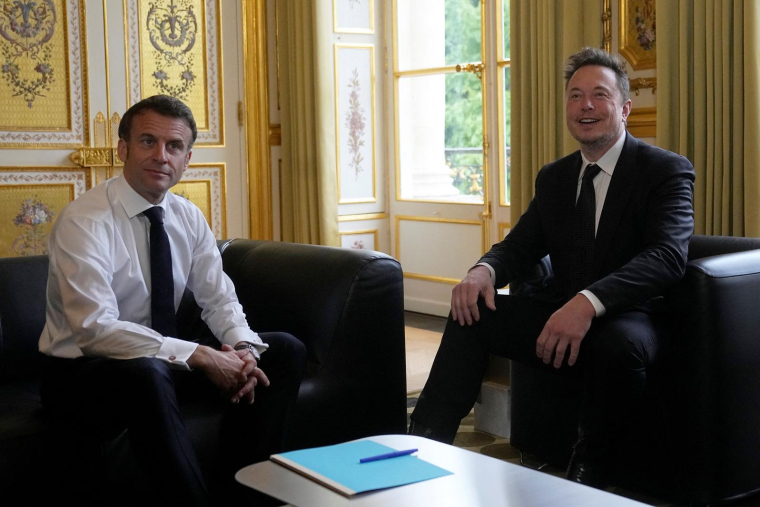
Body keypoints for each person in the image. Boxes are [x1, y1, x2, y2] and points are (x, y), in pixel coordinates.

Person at [409, 47, 695, 488]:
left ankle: (587, 475)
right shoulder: (556, 177)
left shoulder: (664, 170)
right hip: (562, 310)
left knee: (615, 346)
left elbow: (666, 257)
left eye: (598, 95)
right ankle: (423, 447)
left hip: (632, 316)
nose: (585, 106)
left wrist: (588, 302)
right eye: (575, 96)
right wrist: (482, 271)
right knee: (472, 313)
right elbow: (521, 246)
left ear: (624, 108)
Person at [39, 94, 306, 506]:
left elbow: (219, 299)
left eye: (174, 146)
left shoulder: (187, 216)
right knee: (148, 373)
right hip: (81, 376)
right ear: (123, 149)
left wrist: (243, 349)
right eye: (148, 141)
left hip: (160, 364)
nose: (161, 155)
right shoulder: (84, 221)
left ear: (187, 159)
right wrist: (200, 355)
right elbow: (94, 330)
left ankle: (244, 495)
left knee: (282, 350)